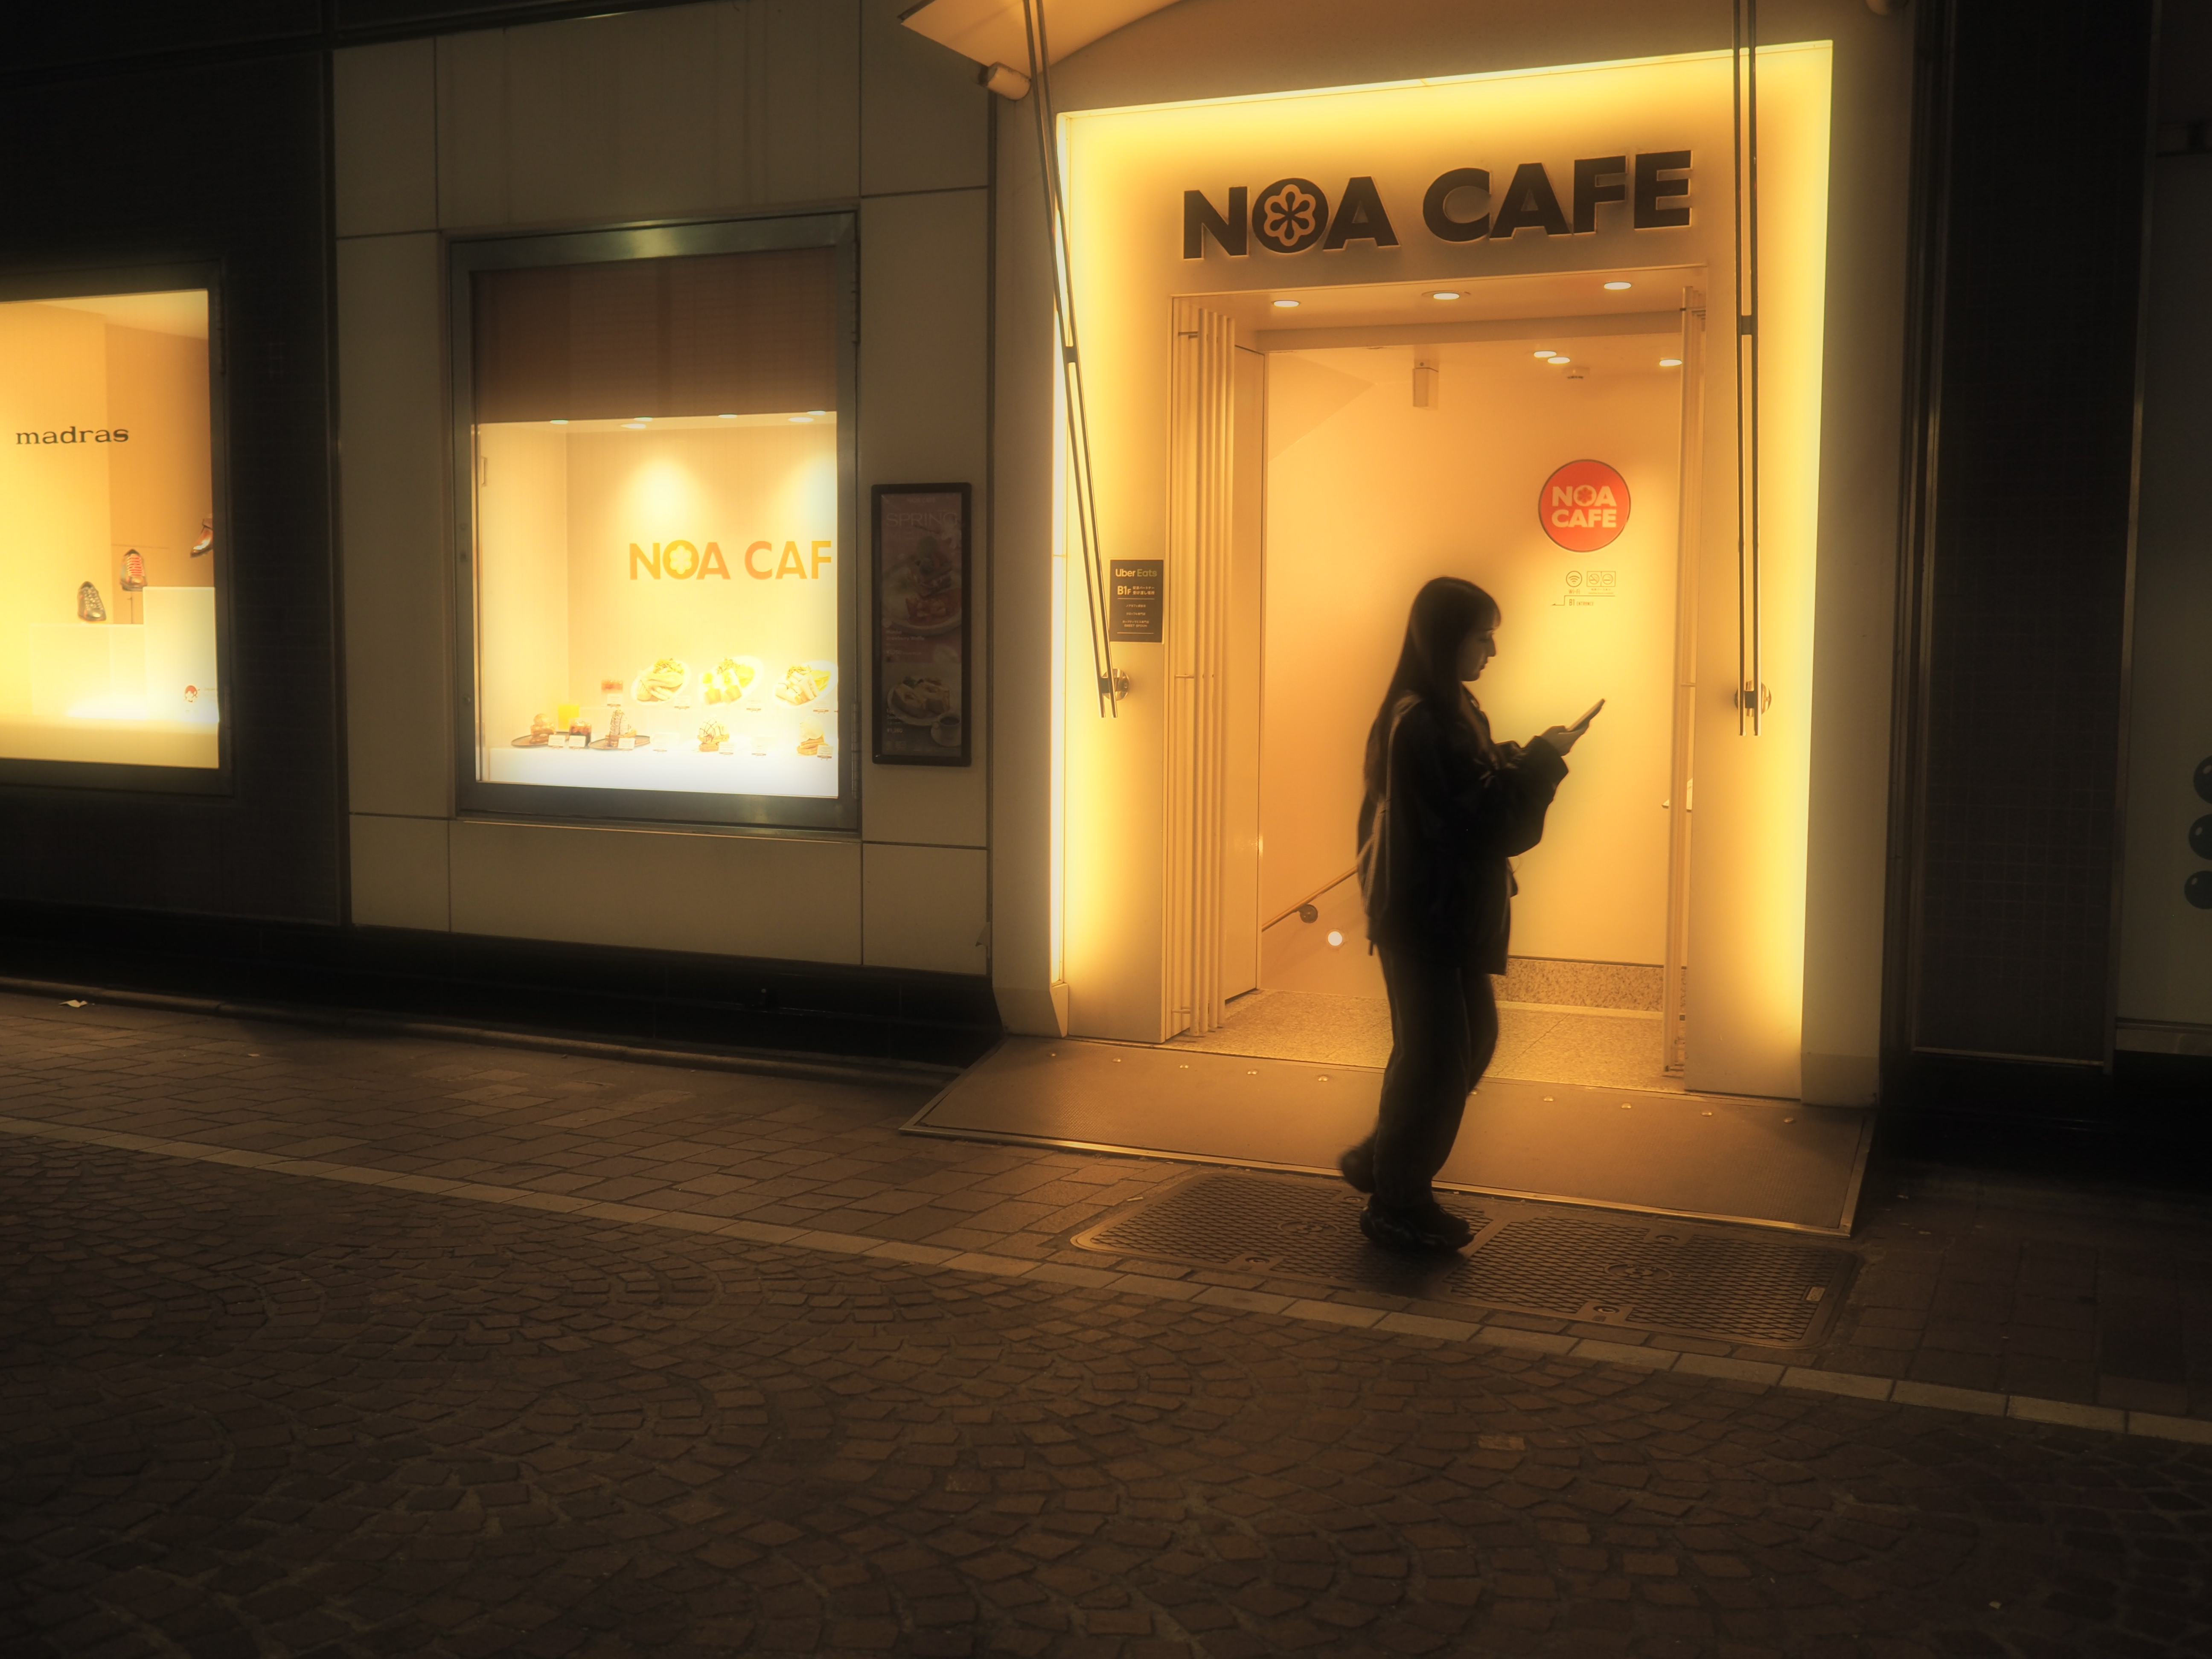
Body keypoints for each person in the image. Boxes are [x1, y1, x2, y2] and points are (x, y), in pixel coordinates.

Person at [1339, 576, 1591, 1253]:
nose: (1493, 650)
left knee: (1460, 1047)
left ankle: (1388, 1164)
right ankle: (1397, 1198)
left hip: (1439, 914)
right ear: (1447, 638)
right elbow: (1483, 818)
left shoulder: (1442, 710)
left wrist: (1526, 753)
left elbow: (1468, 785)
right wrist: (1541, 763)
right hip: (1427, 916)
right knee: (1439, 1059)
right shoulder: (1423, 720)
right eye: (1483, 636)